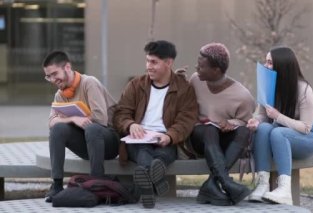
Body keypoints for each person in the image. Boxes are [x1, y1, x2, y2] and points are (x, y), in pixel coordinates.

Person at [113, 40, 198, 209]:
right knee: (144, 150)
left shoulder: (184, 88)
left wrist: (169, 136)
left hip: (165, 138)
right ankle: (155, 181)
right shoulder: (136, 85)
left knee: (164, 154)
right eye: (147, 61)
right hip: (137, 139)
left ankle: (147, 185)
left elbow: (187, 119)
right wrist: (130, 125)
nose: (148, 66)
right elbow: (120, 112)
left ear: (169, 63)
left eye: (154, 62)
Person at [247, 47, 313, 205]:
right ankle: (262, 184)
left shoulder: (304, 89)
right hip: (282, 134)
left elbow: (306, 127)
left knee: (278, 133)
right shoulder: (267, 85)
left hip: (307, 138)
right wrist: (256, 121)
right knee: (264, 128)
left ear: (282, 66)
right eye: (265, 61)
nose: (266, 66)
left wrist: (278, 117)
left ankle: (284, 190)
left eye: (270, 62)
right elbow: (262, 115)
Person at [43, 51, 120, 202]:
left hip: (109, 141)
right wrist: (73, 119)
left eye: (54, 74)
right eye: (48, 76)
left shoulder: (89, 83)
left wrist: (77, 119)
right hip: (87, 143)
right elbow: (51, 122)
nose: (52, 79)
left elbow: (100, 118)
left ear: (67, 67)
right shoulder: (60, 94)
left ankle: (97, 183)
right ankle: (57, 185)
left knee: (92, 128)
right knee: (58, 129)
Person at [189, 43, 255, 206]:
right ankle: (226, 182)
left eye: (201, 66)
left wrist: (231, 122)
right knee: (210, 129)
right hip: (197, 138)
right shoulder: (195, 80)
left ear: (216, 70)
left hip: (222, 140)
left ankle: (211, 185)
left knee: (244, 132)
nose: (196, 67)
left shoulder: (242, 96)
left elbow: (245, 122)